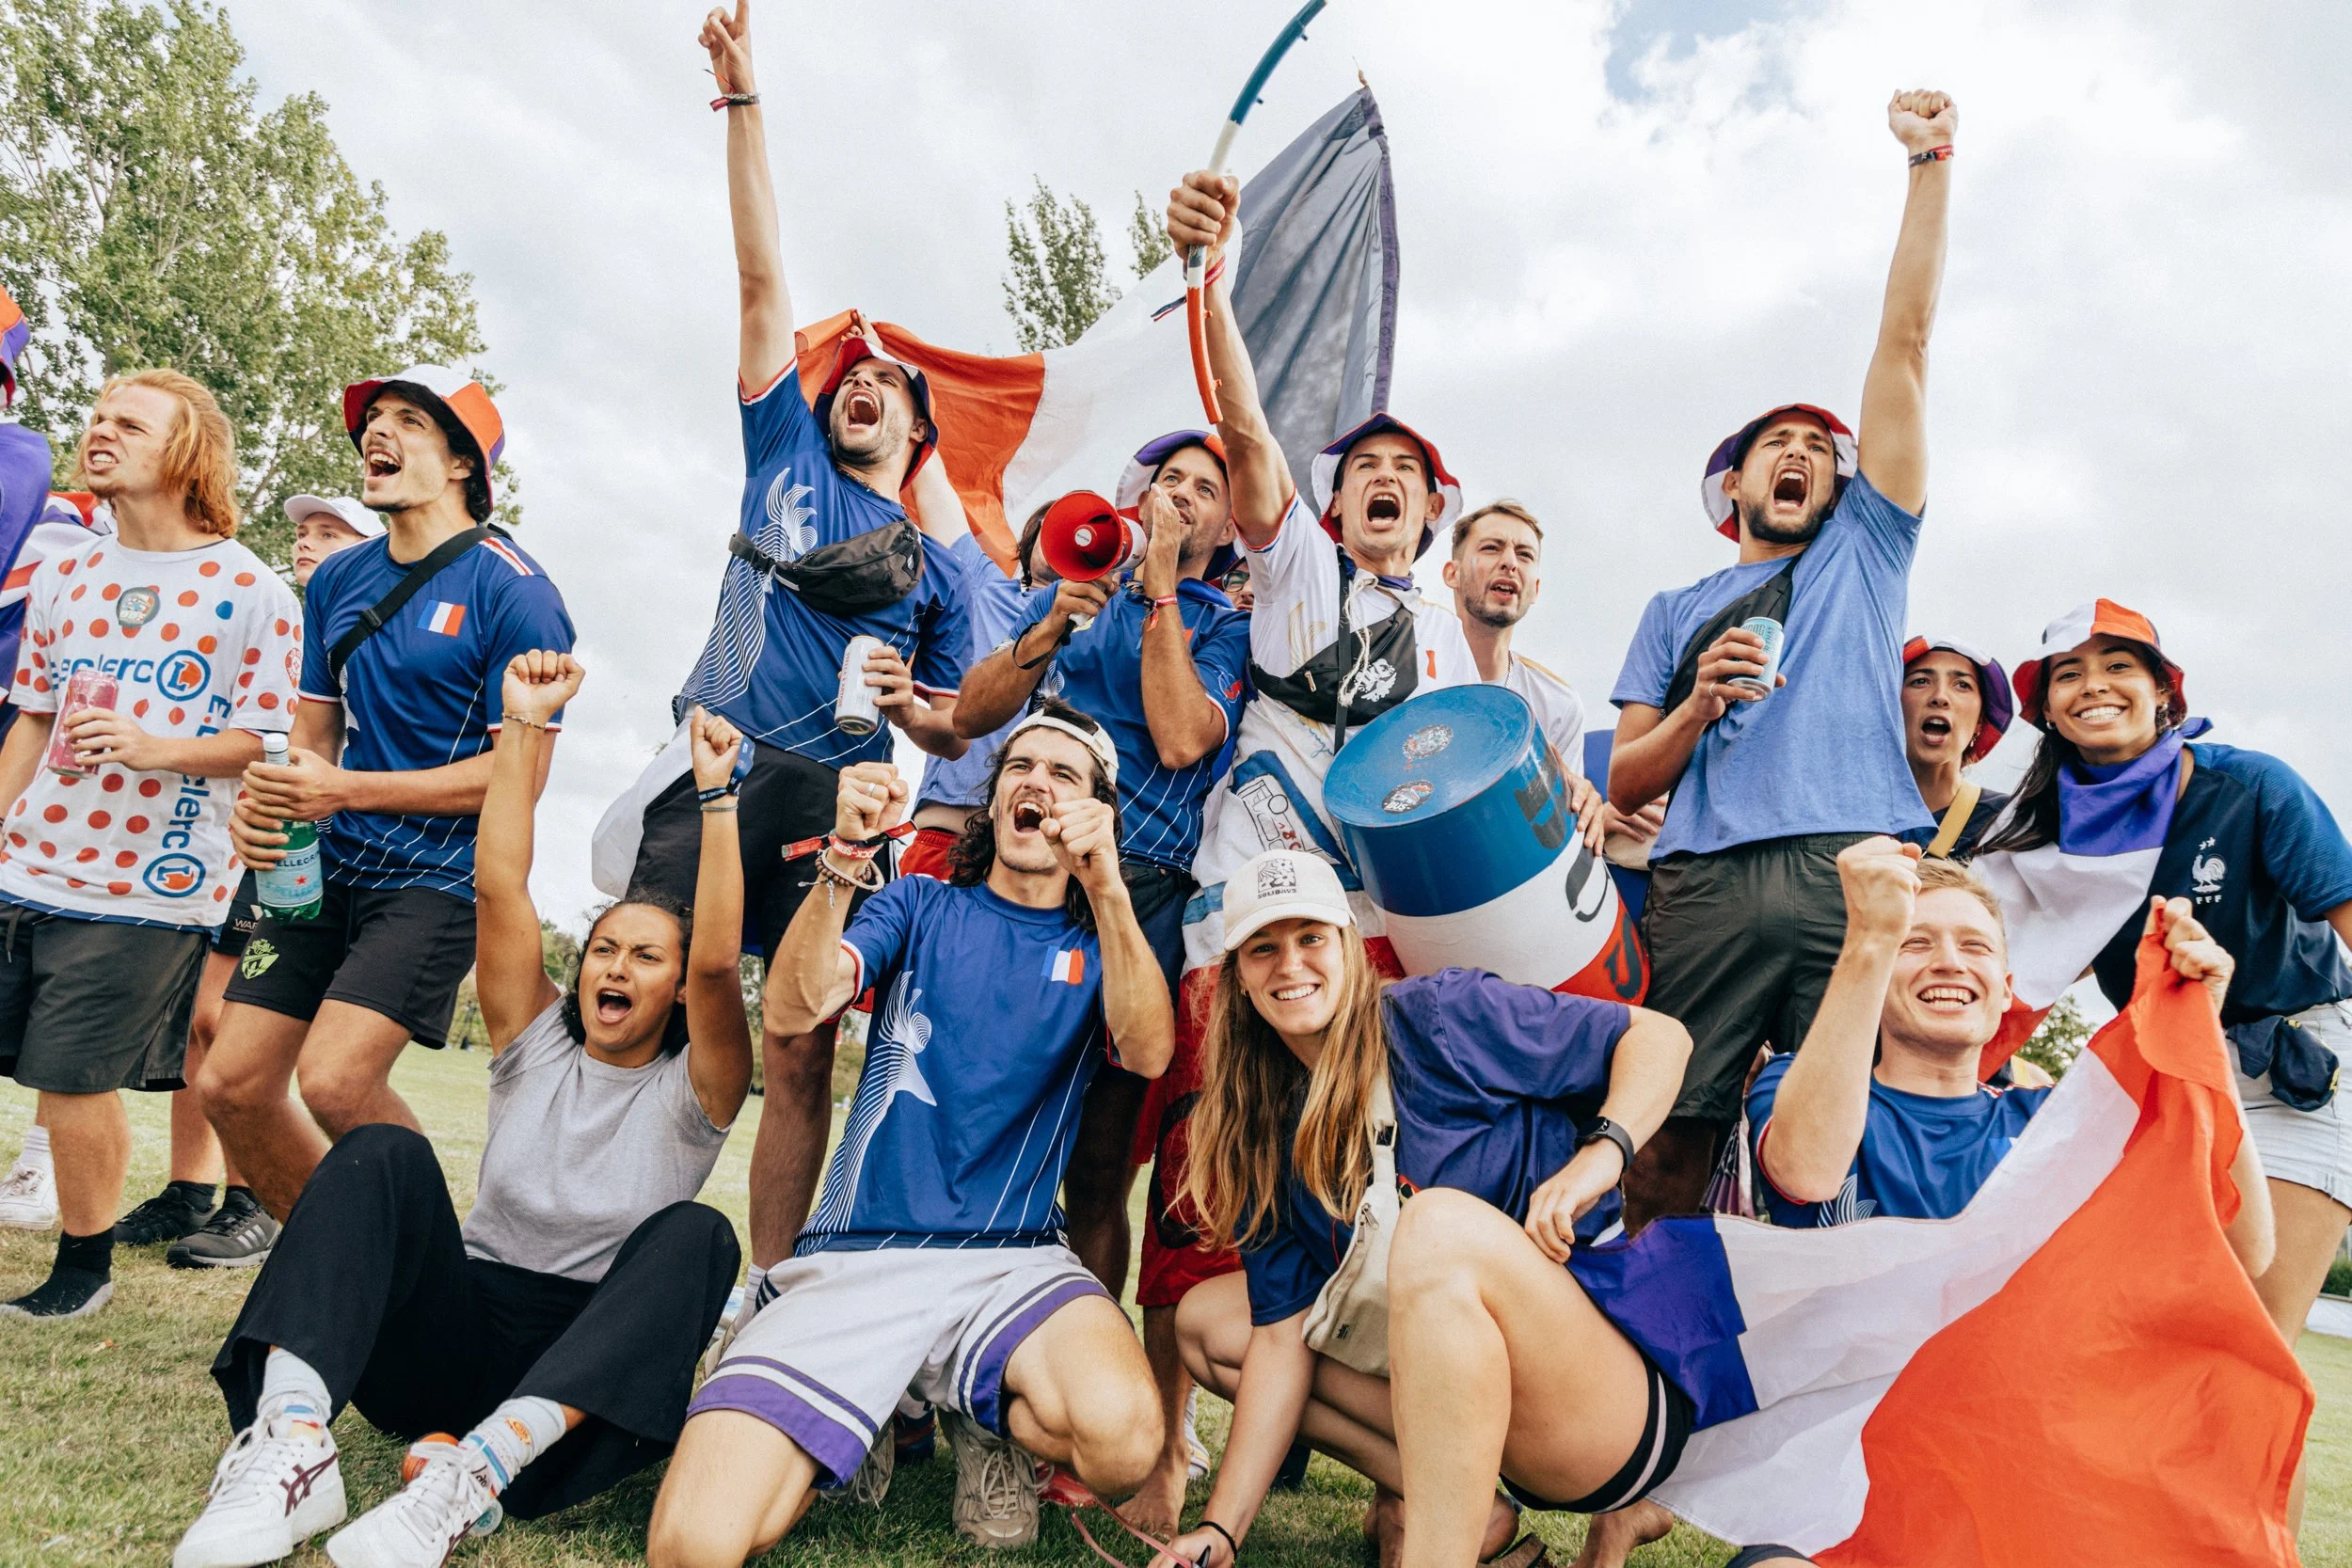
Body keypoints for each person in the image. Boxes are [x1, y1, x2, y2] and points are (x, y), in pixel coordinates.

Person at [169, 657, 751, 1568]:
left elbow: (720, 960)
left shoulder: (699, 1089)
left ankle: (473, 1475)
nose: (614, 967)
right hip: (453, 1337)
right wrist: (520, 724)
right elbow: (498, 885)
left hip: (576, 1375)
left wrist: (717, 800)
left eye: (645, 956)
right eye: (603, 947)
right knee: (381, 1156)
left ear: (677, 992)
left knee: (701, 1234)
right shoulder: (536, 1042)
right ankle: (290, 1440)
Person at [621, 2, 972, 1296]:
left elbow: (952, 723)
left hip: (832, 794)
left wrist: (914, 707)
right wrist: (742, 98)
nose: (862, 381)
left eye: (890, 382)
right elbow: (763, 276)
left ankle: (768, 1288)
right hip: (716, 759)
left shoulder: (935, 563)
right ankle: (609, 1257)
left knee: (806, 1040)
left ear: (921, 427)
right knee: (648, 991)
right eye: (850, 377)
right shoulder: (783, 450)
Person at [650, 702, 1173, 1562]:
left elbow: (1149, 1051)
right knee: (692, 1543)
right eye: (1018, 767)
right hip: (861, 1254)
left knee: (1121, 1440)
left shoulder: (1103, 940)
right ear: (994, 797)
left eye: (1063, 774)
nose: (1036, 782)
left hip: (1012, 1263)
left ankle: (974, 1408)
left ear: (1096, 811)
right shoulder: (922, 902)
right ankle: (866, 1407)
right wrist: (845, 859)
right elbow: (794, 1006)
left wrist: (1108, 882)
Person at [1145, 168, 1490, 1418]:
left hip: (1372, 949)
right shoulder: (1293, 564)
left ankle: (1376, 1428)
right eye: (1364, 467)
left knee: (1352, 1189)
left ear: (1435, 507)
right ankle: (1167, 1438)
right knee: (1208, 1171)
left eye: (1409, 469)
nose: (1384, 478)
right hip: (1240, 922)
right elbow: (1243, 428)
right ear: (1332, 501)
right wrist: (1212, 281)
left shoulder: (1453, 638)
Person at [1605, 91, 1959, 1232]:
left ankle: (1828, 1392)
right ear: (1736, 488)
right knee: (1665, 1132)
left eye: (1820, 447)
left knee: (1843, 1143)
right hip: (1702, 878)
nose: (1802, 453)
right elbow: (1623, 783)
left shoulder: (1867, 548)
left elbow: (1903, 343)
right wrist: (1699, 703)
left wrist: (1929, 163)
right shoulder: (1674, 606)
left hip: (1851, 866)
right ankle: (1644, 1388)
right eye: (1777, 446)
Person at [1153, 849, 1692, 1568]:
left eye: (1310, 936)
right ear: (1239, 978)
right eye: (1263, 947)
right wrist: (1221, 1530)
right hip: (1467, 1404)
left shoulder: (1438, 1017)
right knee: (1213, 1322)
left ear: (1347, 941)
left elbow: (1660, 1037)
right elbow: (1282, 1343)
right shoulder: (1263, 1121)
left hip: (1602, 1408)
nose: (1290, 965)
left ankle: (1437, 1549)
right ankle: (1475, 1513)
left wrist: (1600, 1157)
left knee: (1435, 1225)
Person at [1975, 598, 2352, 1533]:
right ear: (2046, 711)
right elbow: (2002, 982)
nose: (2093, 683)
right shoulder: (2046, 838)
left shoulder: (2248, 786)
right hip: (2158, 1075)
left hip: (2294, 1063)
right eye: (2068, 672)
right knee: (2133, 1341)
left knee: (2248, 1349)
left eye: (2118, 665)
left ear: (2163, 690)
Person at [951, 431, 1252, 1526]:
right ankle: (948, 1382)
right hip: (1021, 875)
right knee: (981, 1117)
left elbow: (1178, 740)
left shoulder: (1222, 621)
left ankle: (1066, 1390)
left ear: (1225, 527)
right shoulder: (1070, 585)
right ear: (1134, 498)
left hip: (1144, 886)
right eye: (1167, 482)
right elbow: (973, 716)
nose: (1180, 498)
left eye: (1204, 491)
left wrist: (1164, 596)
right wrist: (1049, 626)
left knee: (1097, 1162)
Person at [200, 368, 575, 1220]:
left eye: (409, 419)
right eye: (373, 419)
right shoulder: (336, 581)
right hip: (319, 869)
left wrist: (343, 790)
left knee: (334, 1078)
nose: (378, 431)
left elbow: (516, 781)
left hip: (436, 880)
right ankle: (337, 1264)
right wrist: (270, 812)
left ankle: (435, 1274)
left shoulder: (517, 592)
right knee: (231, 1081)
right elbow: (313, 738)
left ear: (460, 463)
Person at [0, 371, 300, 1321]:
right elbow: (31, 719)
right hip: (28, 859)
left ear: (186, 452)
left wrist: (156, 748)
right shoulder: (64, 573)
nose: (100, 431)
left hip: (151, 883)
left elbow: (268, 739)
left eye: (128, 422)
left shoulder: (254, 591)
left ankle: (80, 1270)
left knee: (72, 1070)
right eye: (95, 417)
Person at [113, 495, 385, 1269]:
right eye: (304, 530)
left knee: (234, 1026)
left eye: (330, 532)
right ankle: (189, 1189)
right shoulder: (283, 612)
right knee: (197, 1020)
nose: (307, 540)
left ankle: (252, 1202)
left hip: (322, 850)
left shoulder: (365, 627)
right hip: (250, 840)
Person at [1750, 838, 2266, 1243]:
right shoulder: (1796, 1080)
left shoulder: (2054, 1121)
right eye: (1914, 942)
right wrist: (1870, 937)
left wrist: (2201, 1033)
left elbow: (2244, 1245)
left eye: (1975, 946)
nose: (1950, 961)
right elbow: (1806, 1175)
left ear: (2005, 992)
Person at [1444, 499, 1582, 765]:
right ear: (1453, 574)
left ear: (1536, 589)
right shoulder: (1406, 677)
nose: (1510, 563)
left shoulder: (1557, 706)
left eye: (1525, 555)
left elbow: (1561, 806)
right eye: (1491, 548)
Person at [1894, 637, 2011, 862]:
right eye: (1920, 681)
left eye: (1962, 685)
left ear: (1980, 722)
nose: (1939, 697)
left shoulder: (2009, 823)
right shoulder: (1849, 819)